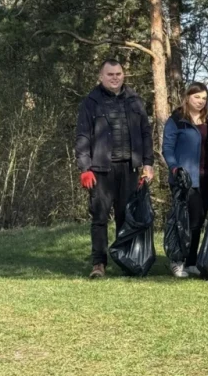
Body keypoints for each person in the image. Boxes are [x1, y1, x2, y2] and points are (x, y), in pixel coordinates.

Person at [75, 59, 155, 279]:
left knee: (125, 216)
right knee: (99, 217)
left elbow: (146, 133)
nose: (115, 78)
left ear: (123, 75)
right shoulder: (91, 102)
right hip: (101, 170)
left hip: (130, 168)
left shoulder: (135, 100)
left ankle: (125, 260)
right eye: (110, 74)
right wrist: (85, 168)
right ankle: (99, 263)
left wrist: (148, 163)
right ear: (101, 77)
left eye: (118, 74)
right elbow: (82, 136)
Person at [162, 82, 208, 278]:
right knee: (183, 221)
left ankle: (191, 261)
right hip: (184, 179)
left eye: (204, 98)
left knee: (198, 221)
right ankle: (177, 261)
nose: (200, 101)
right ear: (187, 97)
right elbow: (167, 147)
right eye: (196, 97)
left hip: (206, 177)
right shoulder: (177, 120)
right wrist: (175, 168)